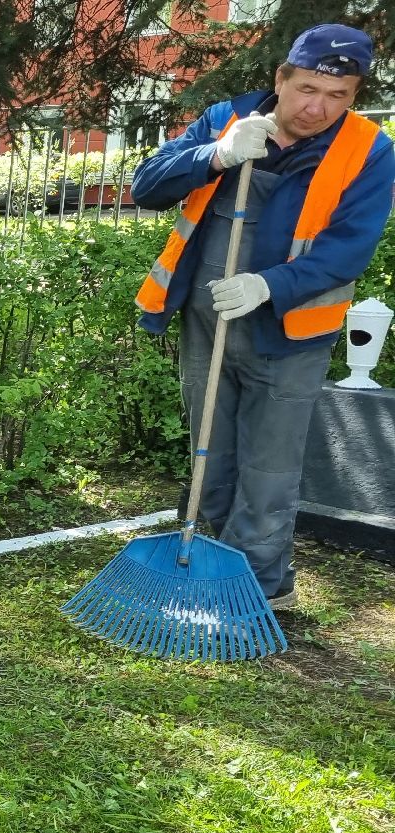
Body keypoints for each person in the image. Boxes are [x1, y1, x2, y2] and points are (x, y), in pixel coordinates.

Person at [131, 23, 394, 611]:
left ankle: (255, 589)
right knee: (209, 452)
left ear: (354, 95)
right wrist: (217, 154)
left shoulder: (369, 150)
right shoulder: (230, 116)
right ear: (281, 78)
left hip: (291, 331)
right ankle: (199, 566)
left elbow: (348, 248)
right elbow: (146, 184)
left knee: (269, 467)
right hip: (208, 322)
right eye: (306, 88)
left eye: (338, 95)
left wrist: (267, 284)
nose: (317, 107)